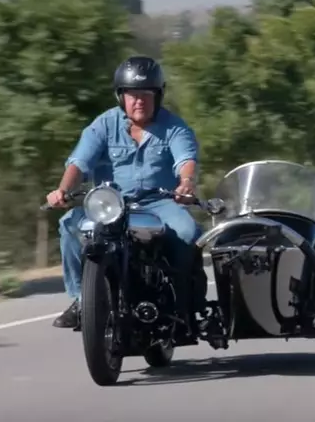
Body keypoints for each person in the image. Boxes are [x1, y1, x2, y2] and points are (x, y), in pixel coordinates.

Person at [45, 55, 202, 329]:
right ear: (121, 96)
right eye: (132, 94)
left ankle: (183, 299)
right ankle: (82, 299)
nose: (139, 100)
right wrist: (63, 190)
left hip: (159, 204)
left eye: (146, 94)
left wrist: (186, 183)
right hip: (111, 205)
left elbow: (186, 161)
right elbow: (79, 162)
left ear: (158, 95)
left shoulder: (174, 127)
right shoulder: (104, 125)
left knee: (188, 232)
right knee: (69, 226)